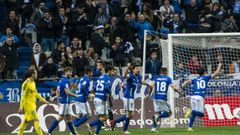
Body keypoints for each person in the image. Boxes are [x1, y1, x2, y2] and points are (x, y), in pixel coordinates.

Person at [181, 63, 222, 131]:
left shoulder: (195, 79)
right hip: (199, 98)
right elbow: (217, 73)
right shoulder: (206, 77)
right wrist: (219, 66)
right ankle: (190, 111)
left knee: (194, 114)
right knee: (202, 114)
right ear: (204, 73)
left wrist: (181, 87)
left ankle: (189, 127)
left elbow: (186, 82)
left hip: (193, 97)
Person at [145, 67, 183, 133]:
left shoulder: (156, 78)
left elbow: (151, 86)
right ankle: (157, 117)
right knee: (169, 113)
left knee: (157, 113)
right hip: (163, 98)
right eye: (167, 71)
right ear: (165, 72)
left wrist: (148, 94)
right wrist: (180, 92)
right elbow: (173, 87)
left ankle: (153, 128)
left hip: (155, 98)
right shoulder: (168, 79)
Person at [46, 67, 79, 135]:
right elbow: (66, 92)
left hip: (63, 102)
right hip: (65, 102)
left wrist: (58, 102)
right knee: (61, 117)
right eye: (69, 71)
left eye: (71, 72)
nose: (71, 73)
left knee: (69, 118)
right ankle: (49, 132)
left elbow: (58, 91)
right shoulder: (65, 80)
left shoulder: (61, 80)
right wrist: (75, 95)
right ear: (66, 72)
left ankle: (74, 133)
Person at [111, 63, 141, 134]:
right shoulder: (130, 75)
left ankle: (114, 122)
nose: (138, 70)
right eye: (137, 69)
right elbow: (125, 76)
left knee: (131, 115)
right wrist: (127, 68)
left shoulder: (137, 77)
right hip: (127, 97)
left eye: (138, 68)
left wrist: (148, 84)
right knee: (128, 115)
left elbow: (141, 82)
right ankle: (124, 130)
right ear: (133, 70)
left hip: (131, 98)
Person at [18, 69, 49, 135]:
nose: (37, 75)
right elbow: (22, 96)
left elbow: (35, 93)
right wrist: (21, 108)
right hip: (28, 105)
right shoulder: (25, 84)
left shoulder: (33, 82)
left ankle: (19, 133)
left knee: (25, 121)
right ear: (32, 74)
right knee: (36, 119)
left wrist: (44, 100)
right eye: (36, 73)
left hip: (33, 104)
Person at [85, 65, 114, 135]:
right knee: (105, 117)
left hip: (96, 98)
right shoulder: (107, 78)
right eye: (112, 71)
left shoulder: (99, 78)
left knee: (101, 117)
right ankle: (90, 125)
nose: (113, 73)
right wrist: (110, 94)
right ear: (109, 71)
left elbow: (94, 88)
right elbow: (107, 88)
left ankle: (96, 133)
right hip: (101, 100)